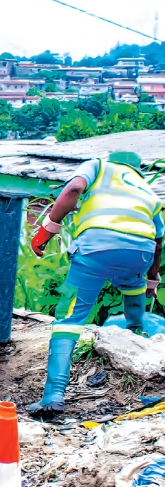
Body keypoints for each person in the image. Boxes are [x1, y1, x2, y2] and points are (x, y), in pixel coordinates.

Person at [28, 151, 163, 418]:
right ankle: (136, 334)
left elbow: (75, 187)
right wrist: (151, 279)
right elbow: (158, 241)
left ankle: (53, 394)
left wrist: (49, 227)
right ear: (137, 170)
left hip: (95, 250)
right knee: (133, 289)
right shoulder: (148, 191)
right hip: (139, 253)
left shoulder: (99, 166)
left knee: (69, 320)